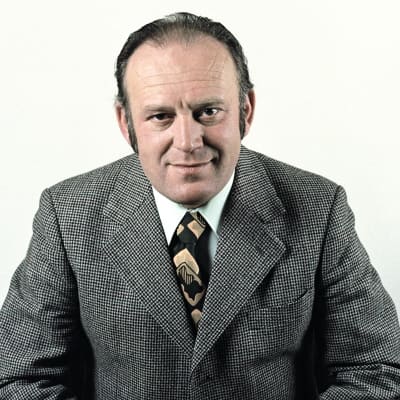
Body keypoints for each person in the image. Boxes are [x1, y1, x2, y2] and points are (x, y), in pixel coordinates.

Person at [0, 12, 399, 400]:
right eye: (160, 116)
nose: (188, 142)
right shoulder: (67, 214)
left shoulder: (320, 209)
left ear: (246, 111)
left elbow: (378, 369)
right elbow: (18, 377)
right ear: (126, 123)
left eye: (208, 112)